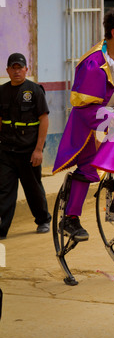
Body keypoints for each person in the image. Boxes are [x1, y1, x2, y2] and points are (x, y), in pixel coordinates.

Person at [52, 7, 114, 242]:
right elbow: (85, 107)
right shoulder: (93, 63)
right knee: (89, 169)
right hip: (89, 121)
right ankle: (70, 219)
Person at [0, 53, 51, 239]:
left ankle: (43, 220)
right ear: (7, 70)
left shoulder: (34, 91)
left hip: (28, 151)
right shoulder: (2, 91)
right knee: (4, 190)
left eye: (20, 67)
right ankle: (2, 228)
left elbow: (44, 119)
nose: (16, 71)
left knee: (33, 188)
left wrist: (39, 149)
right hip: (6, 150)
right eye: (13, 68)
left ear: (26, 70)